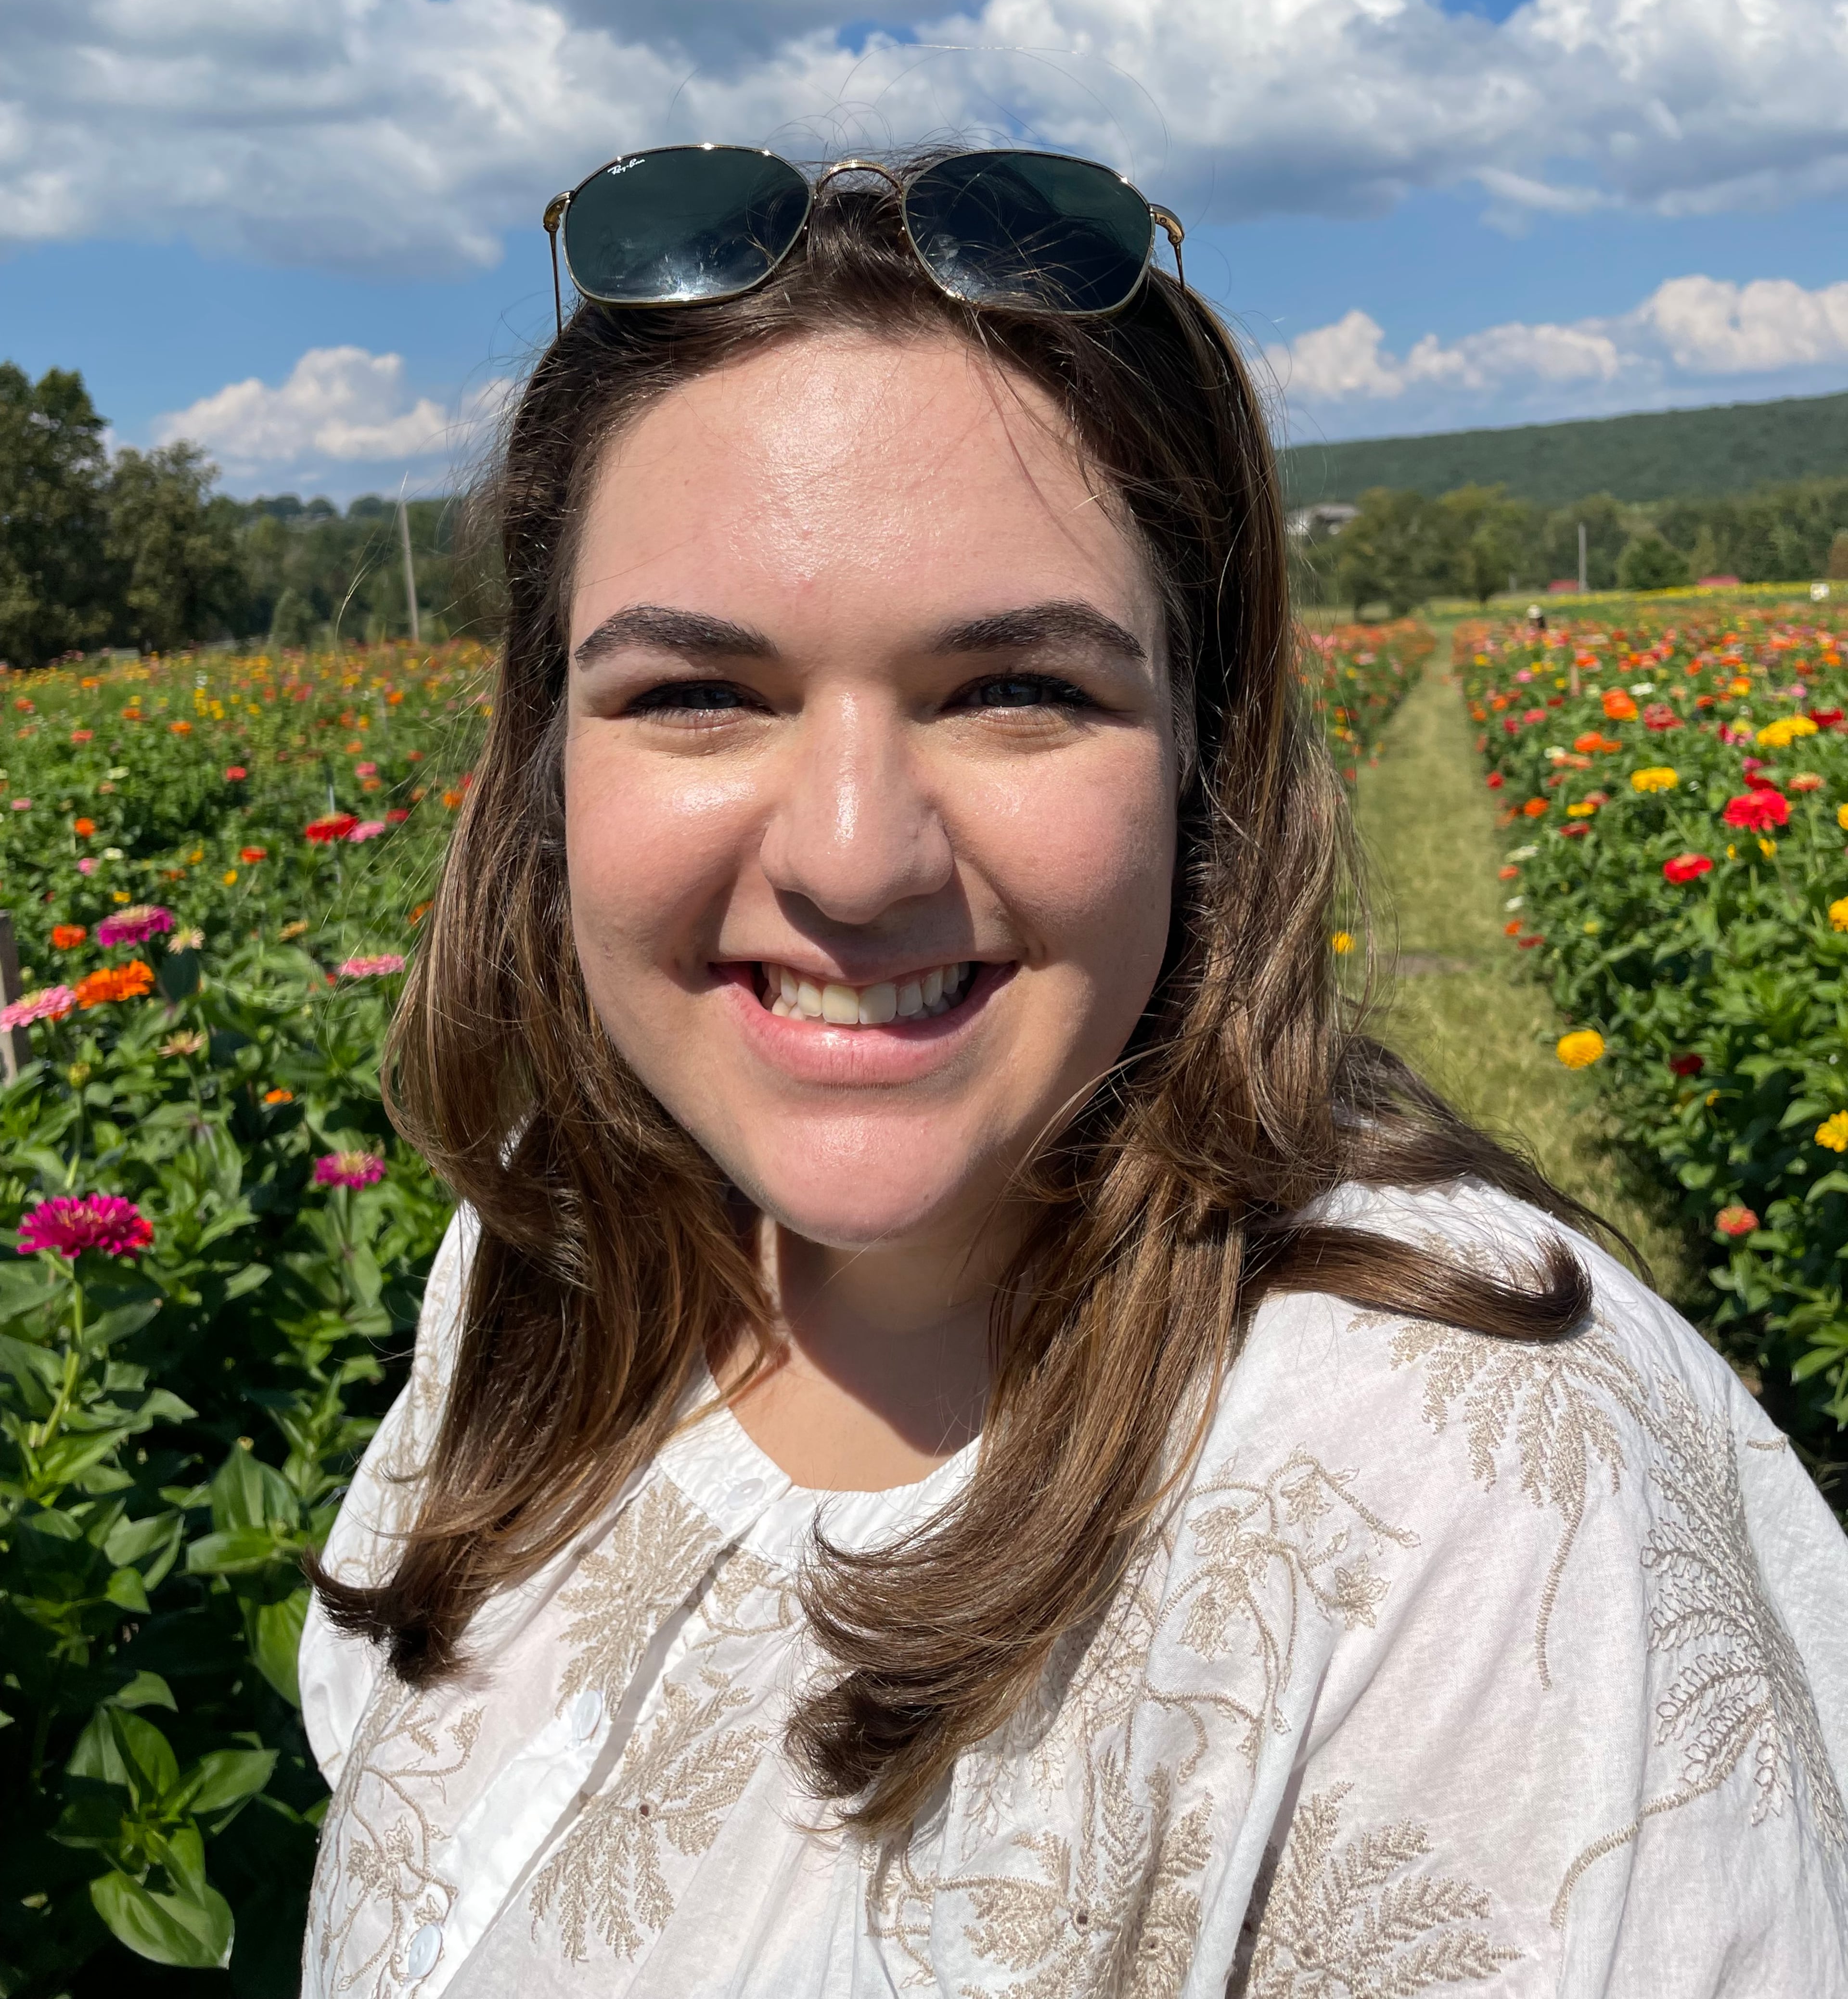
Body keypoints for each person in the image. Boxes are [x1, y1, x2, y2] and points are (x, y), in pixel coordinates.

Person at [299, 147, 1848, 1998]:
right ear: (550, 759)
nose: (855, 858)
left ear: (1204, 754)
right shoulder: (547, 1261)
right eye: (697, 694)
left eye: (1016, 688)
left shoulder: (1470, 1504)